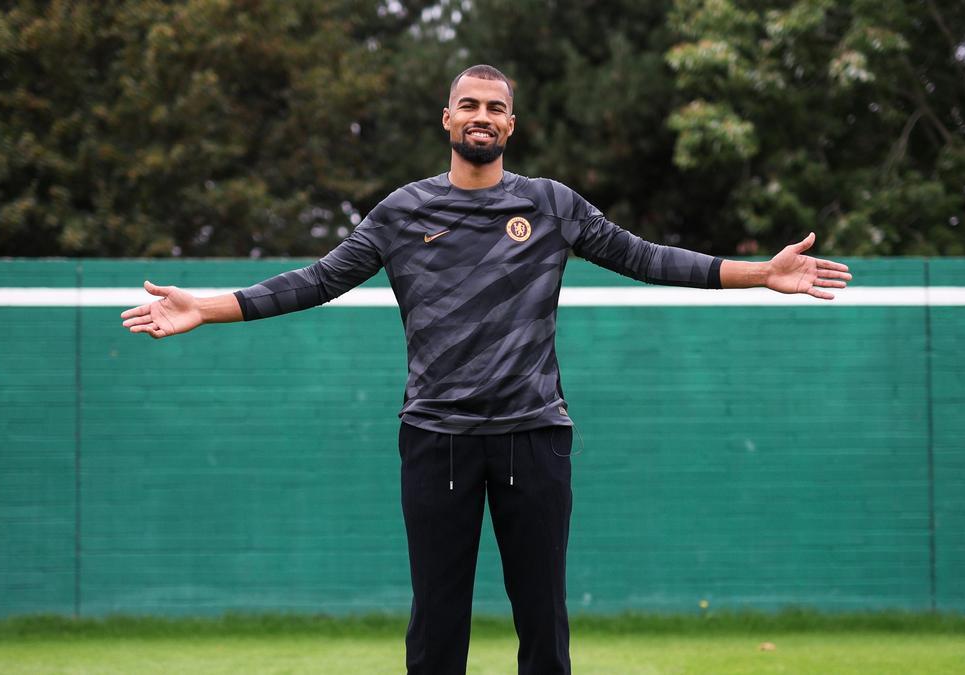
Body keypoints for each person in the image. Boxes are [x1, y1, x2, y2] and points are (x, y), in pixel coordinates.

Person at [121, 64, 852, 674]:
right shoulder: (401, 213)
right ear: (447, 119)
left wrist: (761, 273)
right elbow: (316, 279)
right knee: (437, 626)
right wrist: (204, 307)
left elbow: (649, 257)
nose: (481, 116)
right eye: (468, 104)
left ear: (510, 125)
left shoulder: (551, 206)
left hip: (535, 436)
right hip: (434, 439)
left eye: (494, 108)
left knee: (543, 621)